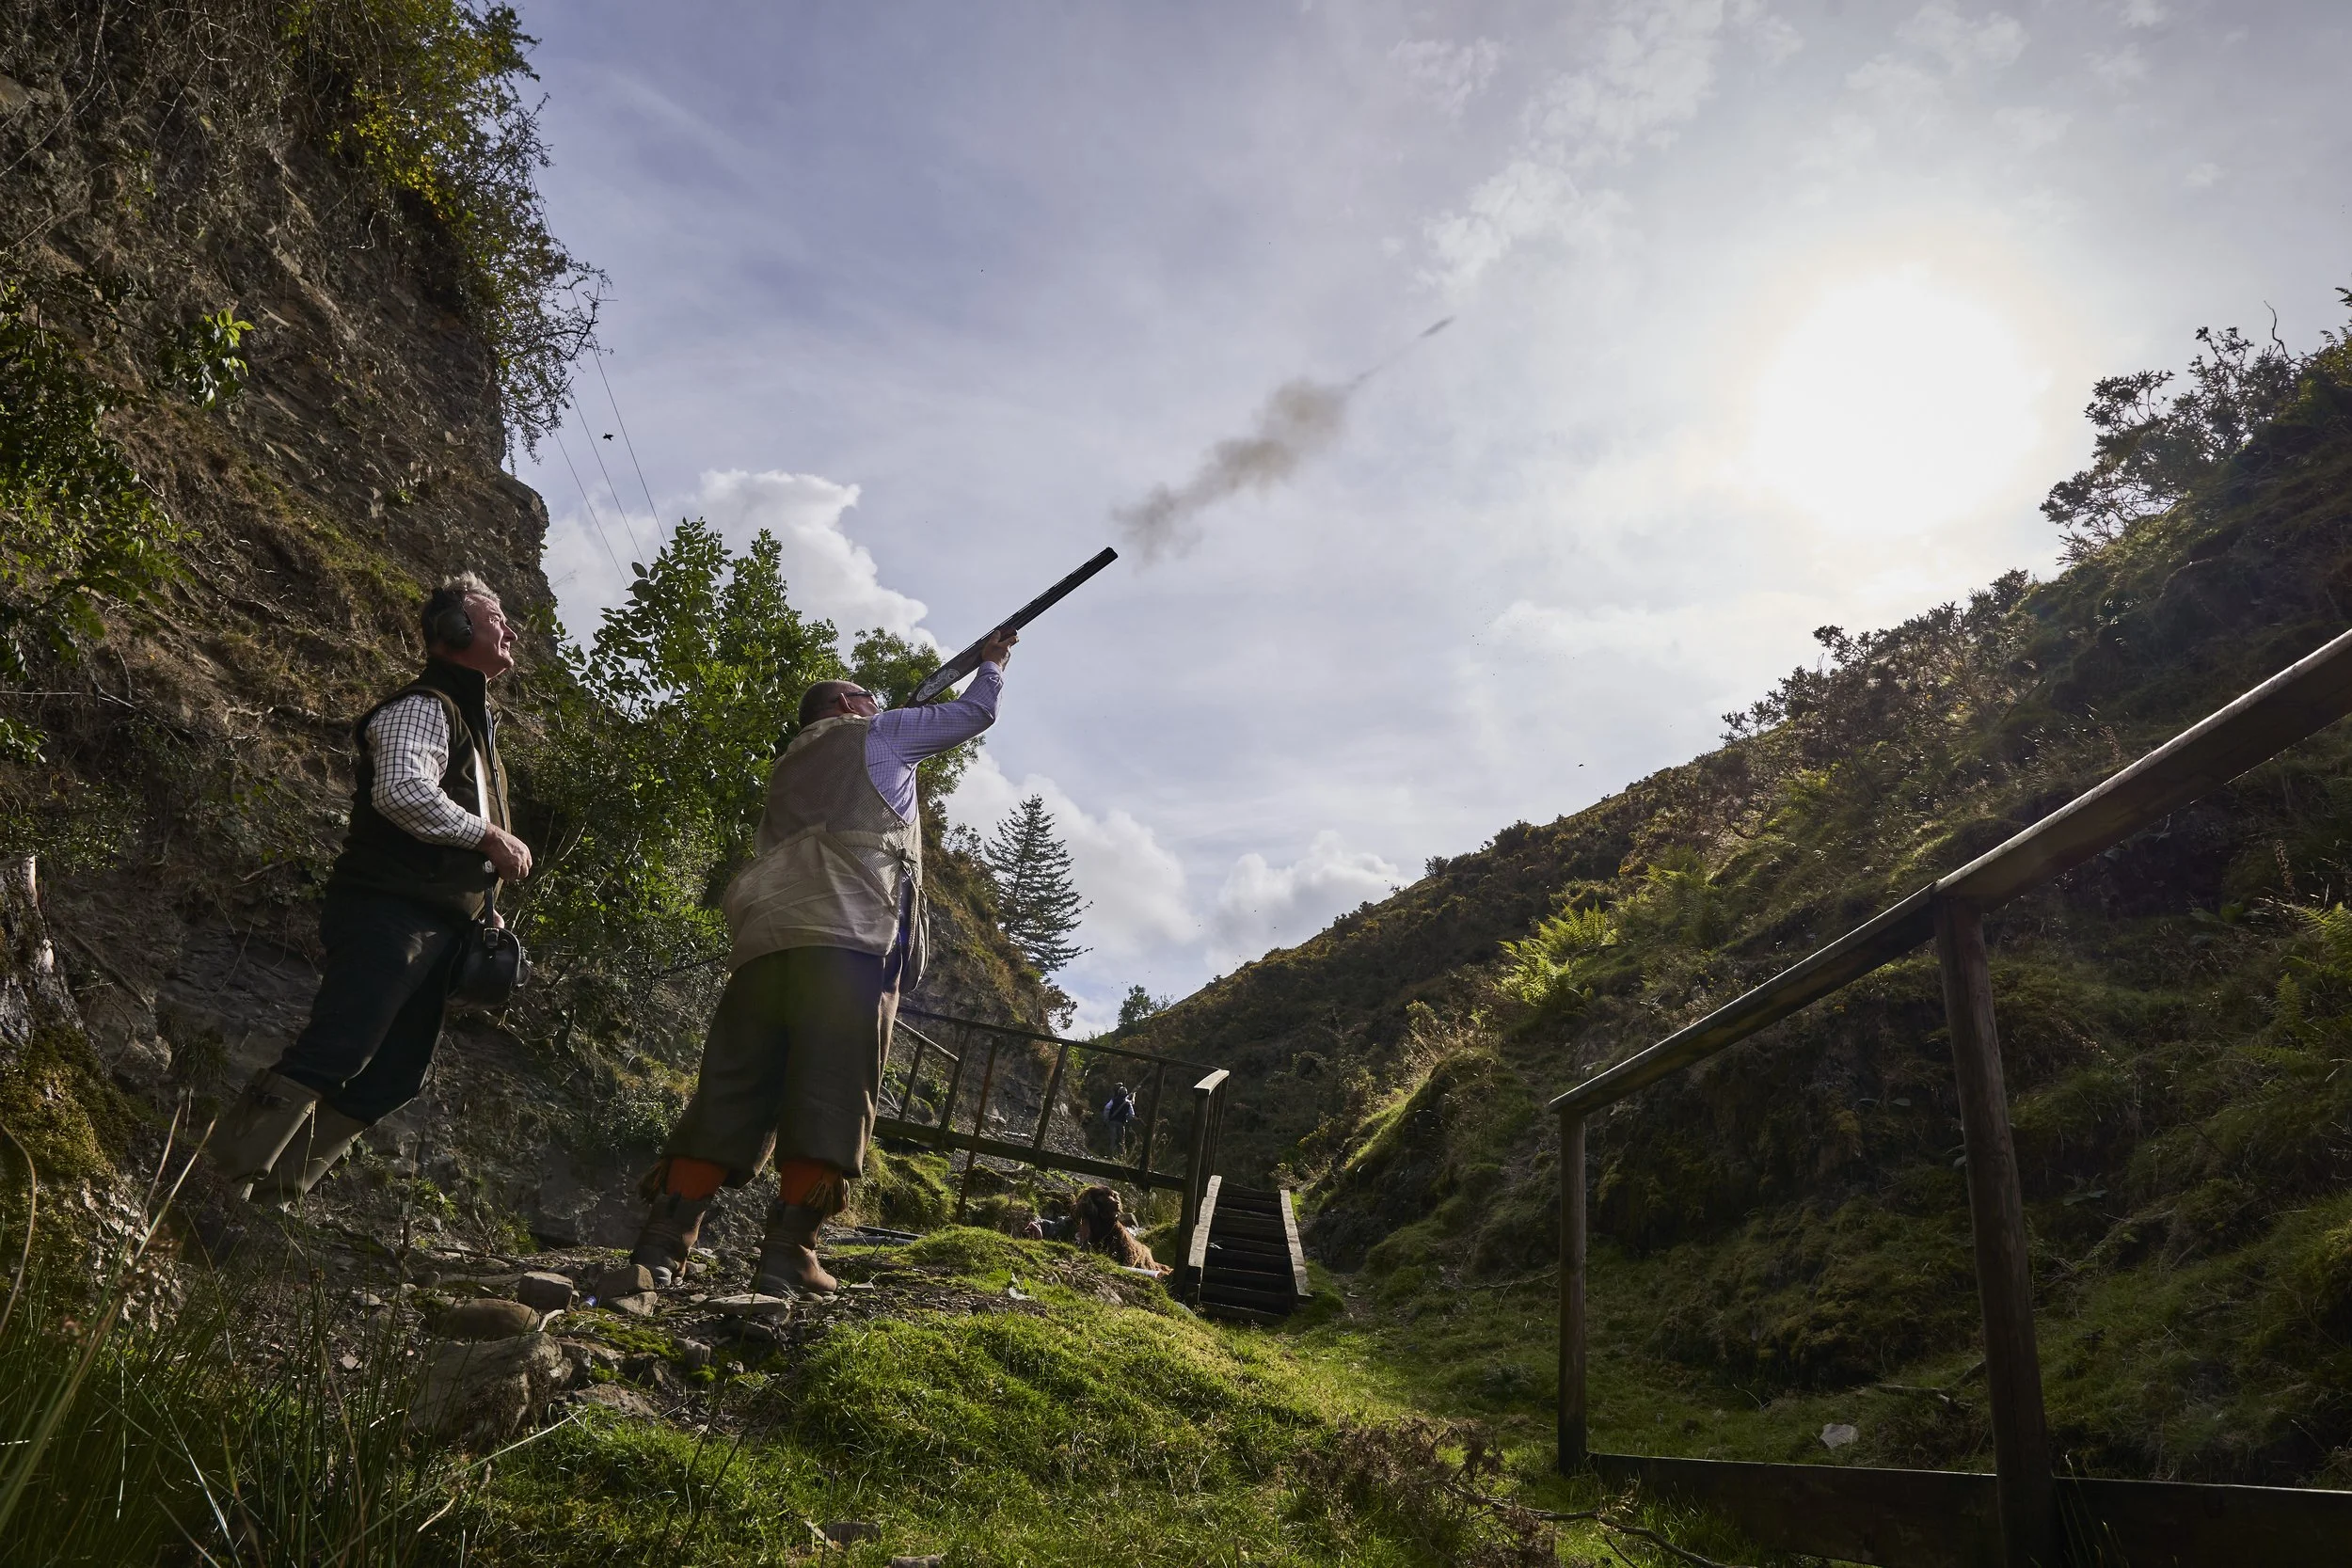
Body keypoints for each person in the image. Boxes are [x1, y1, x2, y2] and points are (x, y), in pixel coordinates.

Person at [627, 627, 1019, 1294]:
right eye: (869, 695)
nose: (879, 701)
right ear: (846, 704)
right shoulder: (879, 735)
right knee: (831, 1097)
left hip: (765, 948)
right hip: (849, 944)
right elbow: (975, 714)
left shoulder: (787, 765)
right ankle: (789, 1253)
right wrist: (992, 664)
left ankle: (663, 1242)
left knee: (732, 1089)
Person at [208, 573, 532, 1201]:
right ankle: (218, 1183)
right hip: (389, 914)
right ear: (456, 631)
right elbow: (403, 792)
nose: (510, 630)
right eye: (496, 619)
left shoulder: (470, 722)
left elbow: (441, 818)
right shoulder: (423, 706)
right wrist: (491, 838)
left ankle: (271, 1198)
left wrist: (484, 903)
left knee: (391, 1077)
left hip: (435, 927)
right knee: (338, 1050)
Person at [1073, 1183, 1168, 1276]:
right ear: (1092, 1201)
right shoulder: (1085, 1223)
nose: (1114, 1201)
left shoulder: (1117, 1231)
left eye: (1112, 1195)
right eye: (1102, 1195)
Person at [1102, 1082, 1136, 1151]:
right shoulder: (1128, 1103)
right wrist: (1126, 1119)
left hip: (1113, 1121)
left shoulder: (1113, 1100)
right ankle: (1120, 1157)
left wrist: (1106, 1119)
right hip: (1121, 1123)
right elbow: (1132, 1115)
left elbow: (1107, 1108)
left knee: (1113, 1139)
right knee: (1121, 1140)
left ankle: (1111, 1155)